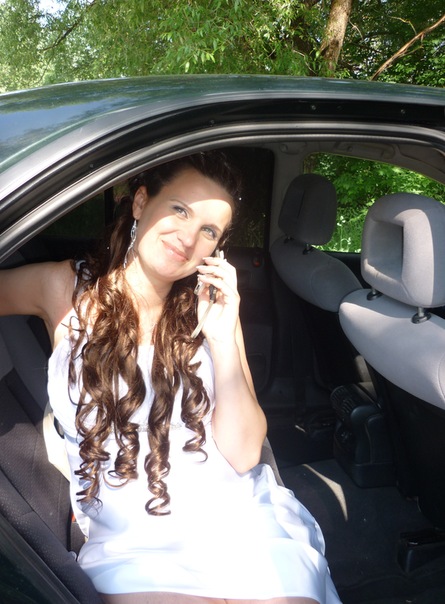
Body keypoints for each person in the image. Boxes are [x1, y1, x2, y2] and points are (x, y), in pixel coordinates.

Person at [0, 151, 342, 604]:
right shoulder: (64, 287)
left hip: (233, 515)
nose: (188, 237)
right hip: (130, 533)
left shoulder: (212, 309)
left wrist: (221, 336)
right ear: (141, 202)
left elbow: (244, 454)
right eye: (180, 209)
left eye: (209, 231)